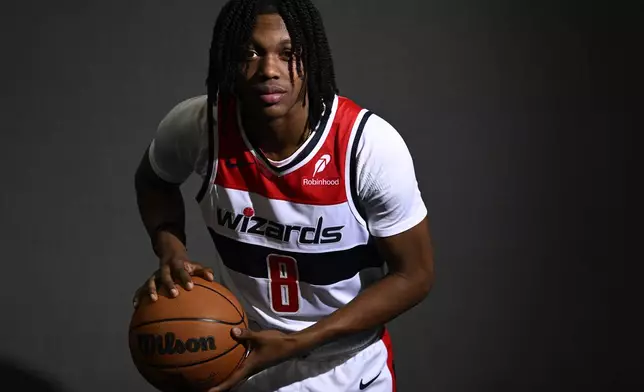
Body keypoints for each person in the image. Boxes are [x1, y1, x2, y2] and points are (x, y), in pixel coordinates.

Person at [133, 0, 434, 391]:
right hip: (246, 355)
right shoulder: (200, 126)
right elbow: (154, 179)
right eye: (250, 52)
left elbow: (415, 274)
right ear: (229, 58)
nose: (269, 70)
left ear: (311, 59)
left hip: (347, 363)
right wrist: (171, 250)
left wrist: (296, 343)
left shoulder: (367, 146)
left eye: (289, 53)